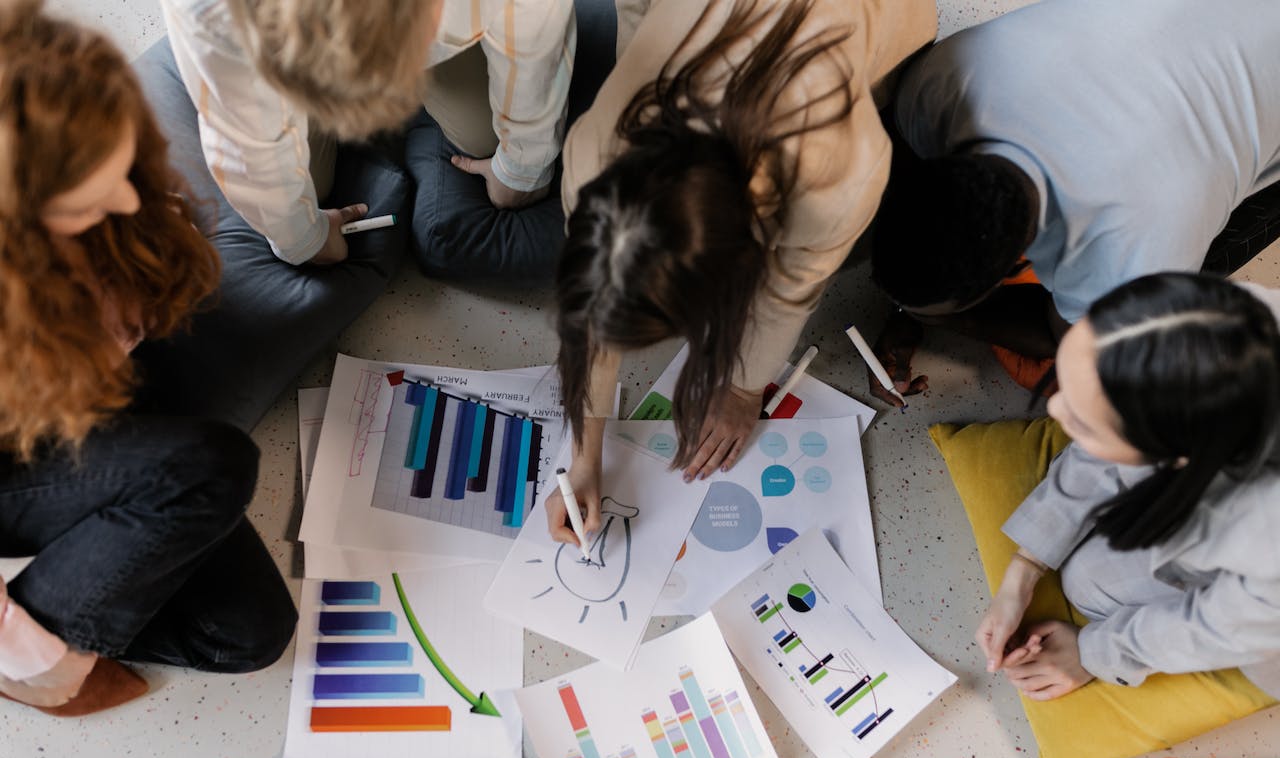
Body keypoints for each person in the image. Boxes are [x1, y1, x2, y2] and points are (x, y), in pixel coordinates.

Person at [0, 3, 296, 716]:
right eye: (91, 199)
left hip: (76, 394)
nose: (130, 196)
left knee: (249, 635)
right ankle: (39, 656)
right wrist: (41, 648)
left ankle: (82, 584)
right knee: (210, 466)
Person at [547, 0, 937, 542]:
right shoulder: (597, 147)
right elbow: (601, 292)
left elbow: (786, 297)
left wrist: (743, 389)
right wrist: (584, 454)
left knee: (857, 246)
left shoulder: (841, 174)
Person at [867, 0, 1280, 402]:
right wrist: (915, 305)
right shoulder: (942, 86)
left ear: (1009, 273)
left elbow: (1066, 340)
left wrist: (941, 317)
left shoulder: (1135, 253)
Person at [976, 272, 1280, 701]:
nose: (1054, 409)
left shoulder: (1268, 551)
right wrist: (1024, 568)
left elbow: (1214, 629)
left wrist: (1095, 653)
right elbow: (1123, 400)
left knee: (1088, 587)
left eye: (1082, 423)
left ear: (1177, 456)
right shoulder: (1223, 324)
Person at [160, 0, 574, 266]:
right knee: (308, 192)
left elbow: (538, 35)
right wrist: (304, 238)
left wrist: (522, 166)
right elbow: (243, 143)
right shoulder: (211, 13)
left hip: (445, 24)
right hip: (279, 48)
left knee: (485, 139)